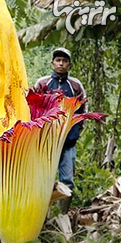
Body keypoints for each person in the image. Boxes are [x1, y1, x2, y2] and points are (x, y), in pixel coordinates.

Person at [35, 47, 87, 212]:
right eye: (58, 60)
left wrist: (76, 133)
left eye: (64, 61)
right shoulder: (43, 83)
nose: (61, 64)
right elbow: (32, 107)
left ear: (69, 65)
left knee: (67, 180)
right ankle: (43, 216)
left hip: (68, 141)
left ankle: (62, 216)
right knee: (43, 179)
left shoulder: (75, 85)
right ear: (52, 63)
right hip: (46, 141)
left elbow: (83, 109)